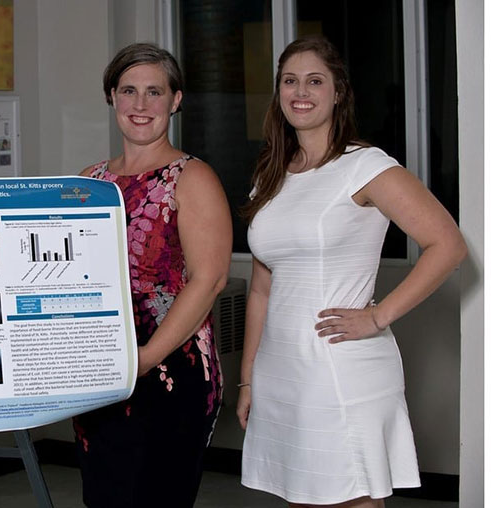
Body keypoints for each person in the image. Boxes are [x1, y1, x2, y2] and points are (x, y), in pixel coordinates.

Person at [237, 36, 467, 507]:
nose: (301, 92)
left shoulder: (364, 166)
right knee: (300, 496)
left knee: (353, 498)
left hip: (340, 366)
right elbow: (262, 289)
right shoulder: (272, 174)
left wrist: (379, 316)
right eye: (290, 81)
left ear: (338, 92)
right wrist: (248, 379)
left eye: (315, 81)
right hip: (282, 370)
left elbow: (448, 245)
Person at [72, 42, 232, 508]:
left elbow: (209, 280)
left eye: (154, 92)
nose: (140, 105)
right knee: (103, 496)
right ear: (112, 98)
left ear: (176, 100)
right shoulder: (89, 181)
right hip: (101, 371)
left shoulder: (193, 177)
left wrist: (143, 359)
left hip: (168, 369)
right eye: (128, 91)